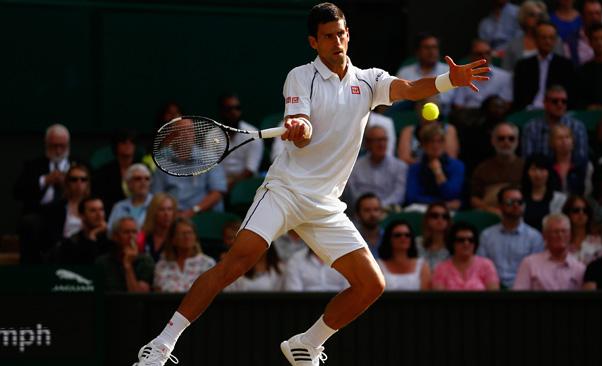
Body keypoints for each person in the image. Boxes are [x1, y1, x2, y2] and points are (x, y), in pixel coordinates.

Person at [131, 3, 490, 365]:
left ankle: (307, 343)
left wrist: (448, 81)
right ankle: (161, 345)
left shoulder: (369, 81)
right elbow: (300, 129)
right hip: (285, 191)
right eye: (329, 36)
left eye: (342, 33)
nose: (338, 41)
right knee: (234, 264)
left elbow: (411, 88)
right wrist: (300, 128)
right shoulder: (301, 77)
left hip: (325, 205)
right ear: (314, 42)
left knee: (370, 284)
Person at [150, 118, 227, 217]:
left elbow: (218, 192)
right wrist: (172, 214)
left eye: (190, 130)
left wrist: (194, 211)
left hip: (202, 214)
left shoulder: (209, 158)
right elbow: (157, 195)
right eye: (181, 131)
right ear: (173, 135)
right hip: (171, 217)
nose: (186, 135)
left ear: (194, 134)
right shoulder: (162, 161)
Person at [478, 186, 544, 288]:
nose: (516, 205)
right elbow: (481, 268)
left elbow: (536, 271)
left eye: (519, 202)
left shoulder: (534, 237)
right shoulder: (487, 235)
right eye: (510, 202)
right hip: (492, 291)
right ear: (500, 206)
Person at [13, 124, 79, 214]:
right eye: (54, 146)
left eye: (62, 146)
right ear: (47, 144)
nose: (58, 150)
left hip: (72, 212)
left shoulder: (79, 165)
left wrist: (68, 183)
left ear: (68, 144)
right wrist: (44, 180)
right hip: (40, 213)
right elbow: (18, 192)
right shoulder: (33, 165)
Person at [513, 21, 577, 110]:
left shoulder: (566, 65)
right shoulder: (523, 65)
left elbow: (570, 95)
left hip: (555, 110)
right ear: (535, 40)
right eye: (543, 38)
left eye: (551, 38)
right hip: (528, 110)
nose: (547, 41)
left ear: (555, 40)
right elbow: (518, 96)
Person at [513, 213, 585, 290]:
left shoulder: (579, 268)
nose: (560, 235)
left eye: (564, 231)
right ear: (544, 235)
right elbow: (518, 297)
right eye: (555, 232)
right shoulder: (529, 264)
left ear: (570, 235)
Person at [405, 123, 465, 210]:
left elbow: (452, 195)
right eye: (431, 141)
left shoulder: (457, 166)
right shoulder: (415, 168)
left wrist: (438, 173)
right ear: (423, 145)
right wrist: (443, 204)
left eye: (439, 141)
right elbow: (412, 197)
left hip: (448, 212)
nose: (435, 145)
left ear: (444, 143)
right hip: (421, 209)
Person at [38, 164, 93, 259]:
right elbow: (52, 238)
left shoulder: (95, 205)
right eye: (74, 179)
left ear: (88, 183)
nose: (79, 183)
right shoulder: (56, 208)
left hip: (89, 251)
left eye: (83, 179)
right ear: (67, 183)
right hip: (64, 252)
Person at [521, 85, 588, 162]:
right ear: (545, 103)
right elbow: (528, 159)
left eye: (564, 101)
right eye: (555, 101)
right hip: (540, 172)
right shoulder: (531, 128)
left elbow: (581, 159)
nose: (560, 105)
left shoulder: (577, 127)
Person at [346, 125, 407, 209]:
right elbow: (352, 192)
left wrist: (378, 206)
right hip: (361, 210)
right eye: (377, 140)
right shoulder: (355, 166)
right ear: (367, 143)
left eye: (384, 140)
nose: (381, 144)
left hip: (387, 209)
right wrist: (367, 206)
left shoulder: (400, 167)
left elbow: (398, 195)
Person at [470, 122, 524, 215]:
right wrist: (490, 210)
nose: (506, 142)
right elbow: (474, 199)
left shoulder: (525, 167)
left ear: (517, 142)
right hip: (488, 216)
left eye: (511, 138)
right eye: (501, 138)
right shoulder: (482, 168)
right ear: (493, 141)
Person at [396, 33, 456, 114]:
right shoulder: (405, 72)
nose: (431, 52)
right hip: (409, 116)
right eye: (427, 48)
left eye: (434, 47)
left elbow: (449, 100)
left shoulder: (448, 70)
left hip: (441, 116)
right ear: (417, 51)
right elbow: (397, 100)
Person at [215, 93, 264, 190]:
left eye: (237, 108)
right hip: (219, 184)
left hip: (247, 184)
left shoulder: (253, 134)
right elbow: (212, 168)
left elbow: (250, 170)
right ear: (221, 111)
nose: (234, 112)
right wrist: (221, 184)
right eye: (229, 109)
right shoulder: (211, 136)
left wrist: (231, 183)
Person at [154, 218, 216, 293]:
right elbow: (158, 297)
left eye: (190, 233)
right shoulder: (162, 266)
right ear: (173, 239)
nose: (187, 237)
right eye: (182, 233)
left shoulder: (208, 264)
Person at [432, 222, 500, 291]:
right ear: (452, 243)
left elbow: (493, 297)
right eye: (461, 240)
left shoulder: (486, 265)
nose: (466, 243)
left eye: (471, 240)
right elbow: (438, 299)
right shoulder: (441, 268)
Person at [96, 216, 155, 292]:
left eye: (134, 232)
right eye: (126, 232)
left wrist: (128, 266)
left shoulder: (146, 261)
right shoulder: (102, 262)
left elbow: (138, 297)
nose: (131, 236)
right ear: (115, 237)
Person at [502, 1, 563, 72]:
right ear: (524, 17)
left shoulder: (555, 40)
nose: (537, 18)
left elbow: (561, 68)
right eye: (532, 15)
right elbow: (506, 72)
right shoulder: (513, 45)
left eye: (540, 15)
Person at [452, 39, 513, 109]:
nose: (484, 57)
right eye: (479, 54)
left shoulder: (505, 77)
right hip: (469, 116)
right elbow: (458, 105)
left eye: (488, 53)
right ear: (471, 56)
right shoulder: (462, 77)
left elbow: (507, 104)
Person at [93, 129, 139, 216]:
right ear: (116, 146)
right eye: (124, 141)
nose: (128, 145)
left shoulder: (143, 170)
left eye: (131, 142)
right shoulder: (103, 173)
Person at [54, 196, 111, 264]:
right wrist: (91, 237)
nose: (99, 215)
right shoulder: (72, 242)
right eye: (93, 210)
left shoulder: (112, 239)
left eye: (101, 209)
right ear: (82, 215)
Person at [377, 220, 431, 291]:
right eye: (398, 235)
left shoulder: (422, 266)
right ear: (389, 239)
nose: (403, 238)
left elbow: (425, 296)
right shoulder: (378, 266)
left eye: (407, 235)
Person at [564, 0, 602, 66]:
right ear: (582, 16)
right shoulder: (571, 40)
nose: (594, 17)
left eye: (597, 13)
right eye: (590, 13)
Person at [521, 154, 568, 231]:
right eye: (533, 169)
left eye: (542, 169)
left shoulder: (560, 199)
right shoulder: (519, 197)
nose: (538, 174)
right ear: (527, 172)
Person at [107, 164, 153, 234]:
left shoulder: (158, 204)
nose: (143, 182)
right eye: (138, 179)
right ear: (129, 183)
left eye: (147, 179)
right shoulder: (119, 207)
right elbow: (110, 232)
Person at [550, 124, 593, 196]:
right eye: (559, 138)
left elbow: (588, 192)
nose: (564, 141)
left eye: (567, 137)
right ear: (552, 143)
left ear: (573, 141)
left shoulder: (585, 165)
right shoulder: (547, 166)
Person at [562, 195, 602, 265]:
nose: (581, 213)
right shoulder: (561, 241)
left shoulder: (599, 241)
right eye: (576, 210)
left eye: (585, 210)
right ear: (568, 213)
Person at [138, 193, 178, 262]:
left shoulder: (178, 237)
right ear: (154, 212)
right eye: (162, 209)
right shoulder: (143, 237)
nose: (166, 214)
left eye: (170, 209)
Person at [416, 202, 451, 270]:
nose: (440, 219)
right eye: (435, 216)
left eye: (444, 216)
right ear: (427, 219)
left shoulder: (454, 247)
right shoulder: (416, 243)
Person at [352, 193, 384, 259]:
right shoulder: (352, 240)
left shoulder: (391, 238)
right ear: (357, 215)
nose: (373, 214)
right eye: (367, 210)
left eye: (376, 209)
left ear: (381, 213)